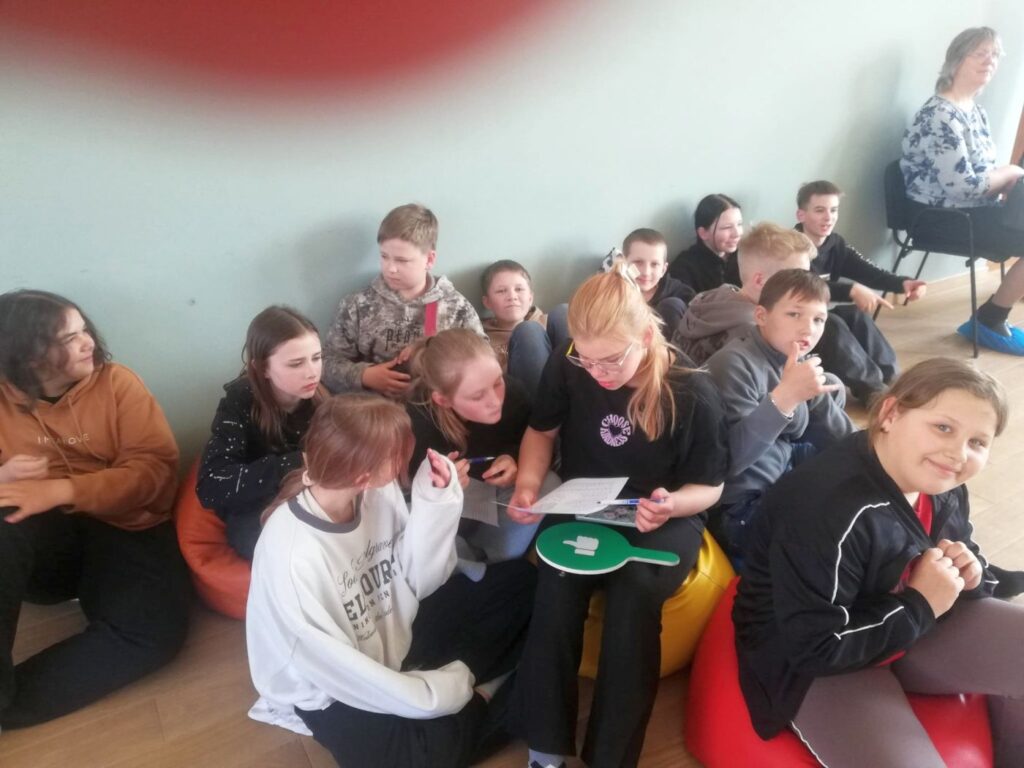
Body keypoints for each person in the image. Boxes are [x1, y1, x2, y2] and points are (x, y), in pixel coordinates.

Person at [733, 358, 1024, 767]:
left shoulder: (941, 481)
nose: (958, 453)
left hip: (909, 625)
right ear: (890, 414)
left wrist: (971, 573)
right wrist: (920, 604)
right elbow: (814, 648)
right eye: (943, 427)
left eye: (977, 442)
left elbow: (962, 548)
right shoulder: (826, 509)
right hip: (820, 664)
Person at [506, 263, 729, 768]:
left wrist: (672, 505)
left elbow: (711, 487)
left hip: (663, 511)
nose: (597, 372)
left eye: (610, 360)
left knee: (635, 595)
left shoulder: (692, 391)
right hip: (587, 499)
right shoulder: (571, 361)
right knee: (556, 584)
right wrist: (528, 484)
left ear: (646, 336)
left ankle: (611, 756)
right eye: (586, 360)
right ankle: (545, 749)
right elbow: (541, 431)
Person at [246, 394, 535, 768]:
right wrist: (438, 693)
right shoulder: (292, 554)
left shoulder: (375, 491)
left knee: (521, 582)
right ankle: (489, 691)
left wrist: (436, 500)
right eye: (397, 457)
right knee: (417, 757)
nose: (405, 466)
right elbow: (342, 672)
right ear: (362, 476)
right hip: (333, 687)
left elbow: (419, 581)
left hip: (394, 636)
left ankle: (473, 691)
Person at [0, 289, 189, 728]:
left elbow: (154, 474)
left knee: (154, 634)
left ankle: (9, 705)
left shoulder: (118, 384)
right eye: (69, 338)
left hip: (126, 525)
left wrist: (62, 490)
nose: (88, 342)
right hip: (45, 550)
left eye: (83, 329)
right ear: (29, 356)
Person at [706, 270, 853, 567]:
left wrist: (874, 453)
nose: (808, 328)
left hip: (782, 467)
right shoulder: (733, 364)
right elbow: (729, 463)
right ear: (761, 316)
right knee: (835, 539)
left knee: (857, 477)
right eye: (794, 314)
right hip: (740, 504)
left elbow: (834, 435)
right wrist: (785, 398)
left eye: (818, 319)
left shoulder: (790, 357)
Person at [900, 27, 1024, 354]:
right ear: (956, 61)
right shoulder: (940, 114)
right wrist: (1012, 172)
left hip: (971, 209)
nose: (989, 61)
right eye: (979, 54)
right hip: (939, 217)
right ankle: (990, 320)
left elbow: (981, 174)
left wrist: (1006, 182)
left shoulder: (974, 110)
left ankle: (991, 317)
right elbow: (963, 186)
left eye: (994, 55)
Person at [406, 328, 557, 576]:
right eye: (477, 396)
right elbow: (413, 490)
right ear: (443, 400)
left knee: (548, 483)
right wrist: (441, 488)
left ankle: (488, 561)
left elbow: (531, 439)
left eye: (498, 382)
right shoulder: (418, 421)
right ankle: (466, 564)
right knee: (415, 526)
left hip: (495, 499)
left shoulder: (513, 394)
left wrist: (514, 458)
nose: (496, 401)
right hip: (455, 511)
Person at [196, 306, 328, 560]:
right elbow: (211, 486)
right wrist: (297, 462)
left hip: (310, 494)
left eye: (317, 357)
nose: (312, 371)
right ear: (261, 368)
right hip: (257, 503)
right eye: (296, 363)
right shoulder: (239, 402)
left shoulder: (323, 398)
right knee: (284, 551)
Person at [322, 203, 484, 397]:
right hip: (372, 408)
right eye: (384, 256)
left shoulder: (456, 307)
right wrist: (364, 376)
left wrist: (431, 348)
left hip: (435, 406)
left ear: (429, 260)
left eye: (402, 260)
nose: (390, 268)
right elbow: (327, 362)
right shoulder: (357, 305)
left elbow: (482, 360)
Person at [795, 179, 914, 401]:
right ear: (801, 215)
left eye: (833, 210)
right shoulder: (791, 247)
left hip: (816, 321)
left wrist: (902, 283)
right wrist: (850, 290)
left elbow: (867, 270)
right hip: (794, 328)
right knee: (830, 322)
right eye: (819, 210)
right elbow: (803, 286)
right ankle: (873, 391)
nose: (828, 217)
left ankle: (894, 380)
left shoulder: (835, 244)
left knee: (854, 314)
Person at [673, 222, 814, 365]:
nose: (805, 287)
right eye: (796, 278)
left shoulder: (706, 301)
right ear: (760, 281)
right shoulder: (759, 333)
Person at [479, 259, 569, 402]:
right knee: (528, 331)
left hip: (570, 391)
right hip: (533, 403)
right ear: (487, 302)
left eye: (519, 289)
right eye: (501, 291)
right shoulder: (482, 340)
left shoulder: (549, 322)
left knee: (563, 312)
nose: (512, 296)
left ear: (530, 297)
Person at [622, 228, 695, 332]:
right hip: (626, 340)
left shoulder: (682, 294)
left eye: (654, 264)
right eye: (638, 262)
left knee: (672, 306)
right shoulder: (612, 292)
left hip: (670, 341)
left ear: (663, 270)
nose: (646, 272)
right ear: (623, 263)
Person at [668, 193, 744, 294]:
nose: (737, 233)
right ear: (703, 233)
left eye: (739, 224)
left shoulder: (745, 256)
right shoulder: (685, 268)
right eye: (727, 227)